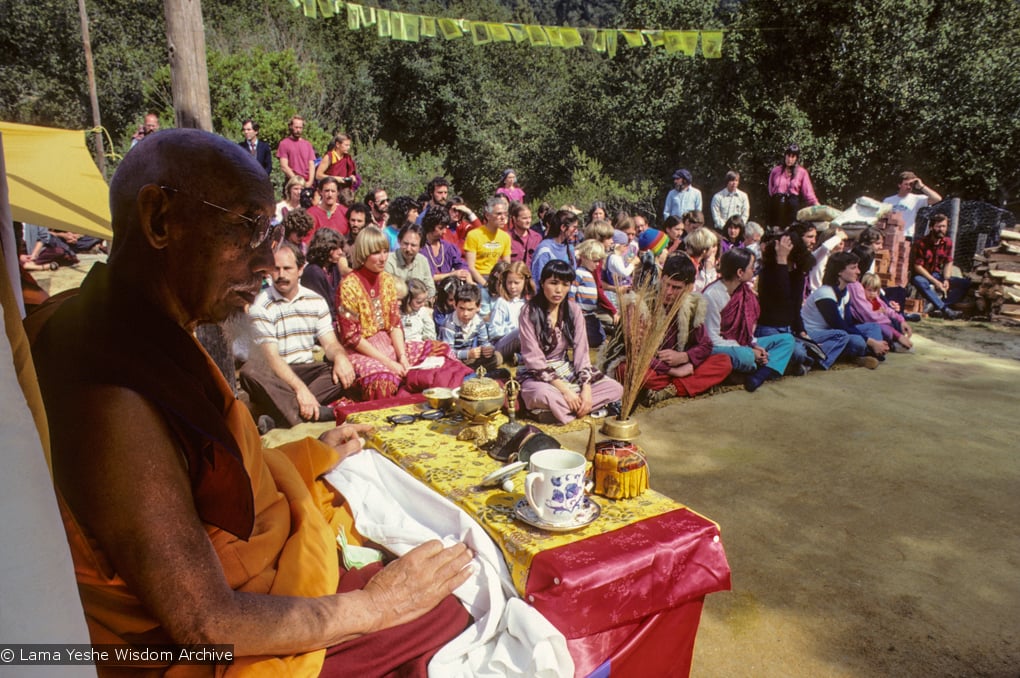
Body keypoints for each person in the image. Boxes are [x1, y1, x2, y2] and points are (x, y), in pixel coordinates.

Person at [28, 129, 472, 675]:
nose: (268, 262)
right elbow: (204, 623)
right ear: (160, 220)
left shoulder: (136, 326)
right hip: (202, 646)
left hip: (255, 568)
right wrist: (375, 606)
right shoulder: (111, 395)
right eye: (247, 227)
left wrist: (308, 455)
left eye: (271, 232)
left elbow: (204, 479)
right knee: (457, 603)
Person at [336, 226, 472, 399]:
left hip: (390, 343)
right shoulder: (348, 286)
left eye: (385, 251)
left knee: (440, 351)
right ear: (363, 253)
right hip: (362, 349)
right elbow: (352, 337)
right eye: (376, 252)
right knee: (382, 381)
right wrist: (389, 363)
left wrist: (402, 358)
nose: (383, 257)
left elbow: (394, 324)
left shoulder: (386, 280)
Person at [240, 242, 355, 427]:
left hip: (306, 370)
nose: (282, 275)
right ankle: (310, 411)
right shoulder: (260, 305)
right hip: (275, 373)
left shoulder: (315, 301)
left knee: (344, 370)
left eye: (287, 268)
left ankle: (280, 417)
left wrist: (341, 358)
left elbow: (331, 344)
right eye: (276, 269)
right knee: (250, 372)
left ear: (300, 269)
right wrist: (301, 390)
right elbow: (272, 358)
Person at [518, 260, 623, 423]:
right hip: (538, 375)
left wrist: (586, 390)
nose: (559, 290)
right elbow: (534, 360)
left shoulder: (573, 310)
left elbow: (582, 354)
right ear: (542, 282)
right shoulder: (529, 312)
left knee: (615, 388)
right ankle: (580, 407)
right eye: (553, 283)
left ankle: (563, 411)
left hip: (566, 369)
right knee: (542, 394)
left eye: (565, 284)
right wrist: (566, 391)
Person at [625, 253, 733, 405]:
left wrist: (685, 357)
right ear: (662, 278)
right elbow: (635, 351)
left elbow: (705, 345)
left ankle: (669, 390)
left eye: (676, 288)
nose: (668, 292)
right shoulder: (642, 304)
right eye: (666, 284)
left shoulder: (693, 306)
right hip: (651, 366)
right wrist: (672, 371)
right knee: (627, 370)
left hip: (680, 365)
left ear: (689, 288)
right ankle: (684, 384)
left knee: (723, 362)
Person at [703, 248, 797, 392]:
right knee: (745, 357)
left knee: (787, 340)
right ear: (740, 273)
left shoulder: (744, 291)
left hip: (743, 344)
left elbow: (747, 331)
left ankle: (759, 374)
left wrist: (753, 345)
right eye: (752, 268)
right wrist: (748, 349)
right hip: (719, 347)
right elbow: (711, 339)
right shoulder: (712, 295)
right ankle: (765, 367)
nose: (754, 271)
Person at [801, 251, 891, 369]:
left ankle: (864, 354)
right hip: (817, 336)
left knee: (873, 327)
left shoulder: (845, 293)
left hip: (837, 333)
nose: (858, 272)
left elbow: (849, 323)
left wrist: (872, 340)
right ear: (839, 271)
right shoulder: (825, 294)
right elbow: (840, 326)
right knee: (856, 340)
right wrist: (872, 342)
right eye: (853, 268)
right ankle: (859, 354)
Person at [909, 213, 969, 319]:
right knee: (920, 282)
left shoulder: (948, 242)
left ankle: (939, 306)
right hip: (922, 275)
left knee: (965, 283)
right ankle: (946, 310)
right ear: (931, 227)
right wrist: (936, 282)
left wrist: (946, 279)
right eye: (938, 226)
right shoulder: (920, 243)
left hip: (936, 274)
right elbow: (917, 267)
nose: (941, 229)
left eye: (944, 226)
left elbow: (948, 261)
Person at [438, 283, 501, 371]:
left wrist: (488, 349)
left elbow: (484, 342)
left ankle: (470, 371)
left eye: (470, 309)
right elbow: (447, 351)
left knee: (497, 357)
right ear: (455, 305)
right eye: (461, 308)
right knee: (450, 364)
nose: (465, 314)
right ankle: (471, 372)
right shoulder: (449, 324)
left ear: (478, 307)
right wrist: (467, 354)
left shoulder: (479, 321)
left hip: (469, 358)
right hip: (454, 358)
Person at [848, 272, 914, 351]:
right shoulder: (861, 299)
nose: (872, 293)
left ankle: (894, 342)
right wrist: (897, 334)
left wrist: (901, 320)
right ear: (863, 289)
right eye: (869, 290)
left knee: (894, 321)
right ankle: (891, 344)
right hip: (867, 325)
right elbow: (871, 317)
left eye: (875, 291)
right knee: (885, 330)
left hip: (884, 324)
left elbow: (887, 310)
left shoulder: (876, 300)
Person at [488, 261, 533, 363]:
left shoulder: (529, 301)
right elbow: (493, 331)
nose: (512, 286)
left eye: (516, 283)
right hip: (502, 344)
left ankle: (521, 358)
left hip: (525, 341)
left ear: (525, 281)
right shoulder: (502, 302)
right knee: (520, 331)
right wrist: (512, 328)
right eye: (509, 282)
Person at [464, 196, 512, 288]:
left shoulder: (505, 237)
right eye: (498, 214)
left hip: (497, 278)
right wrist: (486, 285)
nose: (503, 218)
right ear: (487, 215)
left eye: (505, 214)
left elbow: (507, 265)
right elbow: (471, 267)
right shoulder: (474, 235)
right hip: (479, 278)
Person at [767, 143, 818, 229]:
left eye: (793, 157)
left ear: (796, 158)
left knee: (789, 231)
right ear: (785, 155)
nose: (789, 159)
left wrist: (816, 204)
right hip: (777, 205)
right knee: (775, 231)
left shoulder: (802, 172)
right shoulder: (776, 170)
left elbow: (808, 192)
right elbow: (771, 190)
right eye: (788, 155)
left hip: (791, 206)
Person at [570, 239, 609, 348]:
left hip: (591, 313)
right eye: (595, 261)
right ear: (584, 257)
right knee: (590, 338)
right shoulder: (578, 273)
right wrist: (573, 312)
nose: (597, 264)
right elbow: (571, 294)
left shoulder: (589, 274)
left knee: (600, 336)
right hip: (582, 315)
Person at [301, 227, 346, 319]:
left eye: (341, 248)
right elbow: (321, 306)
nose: (340, 252)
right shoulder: (313, 272)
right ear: (323, 248)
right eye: (335, 248)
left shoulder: (333, 267)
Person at [883, 171, 942, 239]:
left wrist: (921, 186)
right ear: (899, 185)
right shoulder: (888, 200)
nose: (909, 187)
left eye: (911, 184)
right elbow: (882, 218)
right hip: (890, 234)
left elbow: (937, 198)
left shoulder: (916, 199)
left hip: (907, 235)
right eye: (906, 184)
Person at [385, 223, 437, 300]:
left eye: (413, 245)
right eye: (405, 244)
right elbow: (387, 290)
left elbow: (431, 290)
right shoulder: (389, 261)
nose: (408, 249)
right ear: (399, 241)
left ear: (421, 247)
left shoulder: (423, 261)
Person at [420, 208, 471, 285]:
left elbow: (462, 265)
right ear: (430, 227)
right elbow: (425, 277)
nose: (444, 231)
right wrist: (451, 275)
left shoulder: (448, 247)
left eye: (445, 227)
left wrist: (469, 280)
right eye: (440, 228)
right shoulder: (420, 248)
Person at [530, 209, 578, 284]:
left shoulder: (569, 248)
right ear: (563, 227)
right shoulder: (545, 250)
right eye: (574, 227)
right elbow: (537, 280)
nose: (576, 231)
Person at [277, 115, 317, 187]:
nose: (298, 130)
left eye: (300, 128)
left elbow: (311, 165)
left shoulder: (307, 144)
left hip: (307, 184)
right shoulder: (284, 143)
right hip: (292, 183)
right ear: (291, 127)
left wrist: (310, 182)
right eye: (296, 127)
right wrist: (297, 181)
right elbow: (284, 166)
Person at [684, 227, 719, 293]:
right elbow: (701, 289)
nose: (714, 249)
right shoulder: (690, 265)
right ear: (704, 251)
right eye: (712, 246)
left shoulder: (696, 263)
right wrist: (708, 270)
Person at [509, 201, 542, 268]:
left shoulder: (537, 238)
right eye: (524, 218)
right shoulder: (507, 238)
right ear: (515, 219)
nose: (528, 221)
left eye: (530, 217)